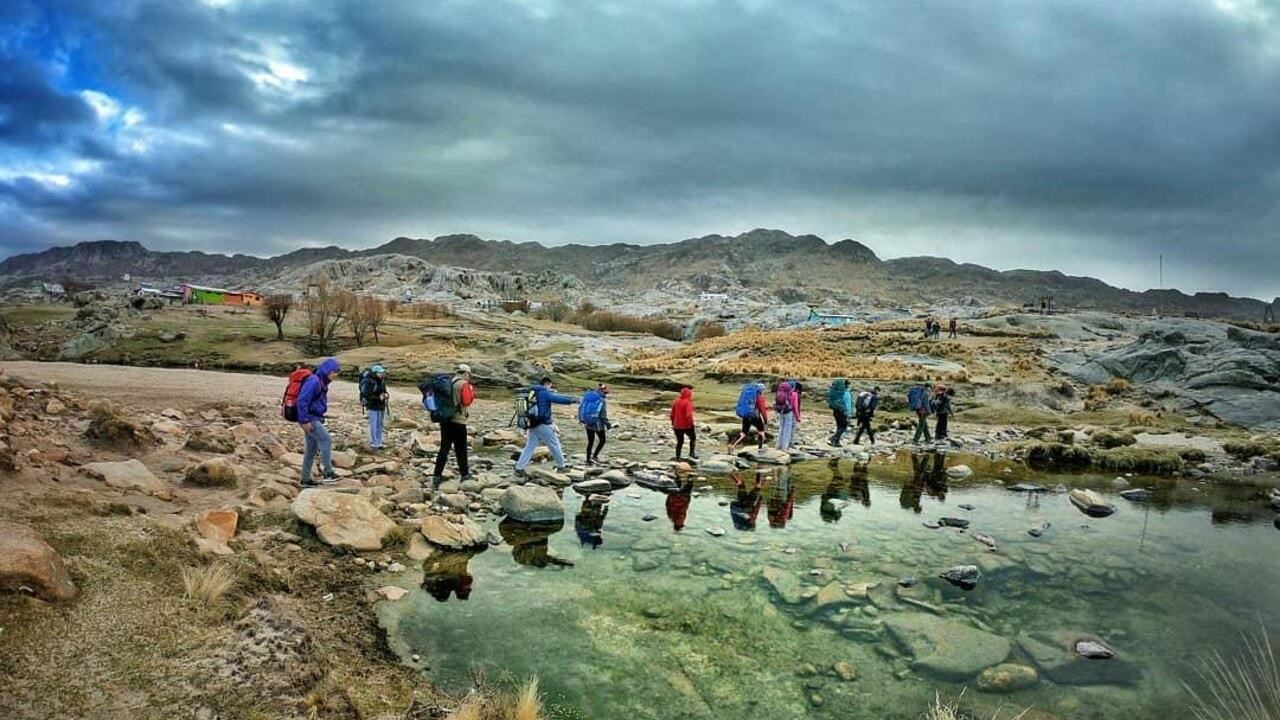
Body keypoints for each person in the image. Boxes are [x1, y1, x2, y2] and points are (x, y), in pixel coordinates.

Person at [514, 376, 577, 477]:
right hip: (543, 423)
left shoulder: (532, 392)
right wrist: (574, 400)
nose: (550, 388)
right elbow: (558, 399)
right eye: (550, 386)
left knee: (530, 446)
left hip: (532, 422)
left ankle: (519, 468)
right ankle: (561, 466)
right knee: (554, 444)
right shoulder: (544, 392)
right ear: (547, 384)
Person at [297, 357, 341, 487]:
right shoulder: (314, 381)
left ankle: (305, 479)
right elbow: (302, 401)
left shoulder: (321, 381)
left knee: (311, 449)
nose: (336, 375)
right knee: (326, 439)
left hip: (312, 417)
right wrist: (304, 420)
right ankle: (328, 473)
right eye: (335, 371)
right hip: (309, 418)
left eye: (338, 372)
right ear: (327, 370)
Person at [432, 364, 476, 484]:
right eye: (469, 375)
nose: (469, 377)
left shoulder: (449, 382)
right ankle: (465, 474)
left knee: (444, 448)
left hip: (445, 419)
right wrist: (471, 392)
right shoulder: (463, 384)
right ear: (466, 373)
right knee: (461, 448)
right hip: (458, 420)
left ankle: (437, 475)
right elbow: (467, 401)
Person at [728, 381, 769, 452]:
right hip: (755, 416)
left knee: (743, 433)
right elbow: (762, 410)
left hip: (746, 416)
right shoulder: (759, 397)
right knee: (761, 431)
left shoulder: (750, 396)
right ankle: (760, 448)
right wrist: (765, 420)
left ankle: (732, 445)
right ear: (761, 390)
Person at [579, 384, 612, 466]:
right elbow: (603, 416)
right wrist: (608, 425)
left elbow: (580, 408)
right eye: (606, 393)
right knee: (602, 440)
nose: (606, 394)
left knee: (590, 441)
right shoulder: (602, 400)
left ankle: (588, 459)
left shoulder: (588, 398)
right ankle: (595, 456)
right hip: (598, 424)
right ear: (604, 392)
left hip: (588, 423)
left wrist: (581, 420)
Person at [359, 364, 389, 450]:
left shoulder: (382, 380)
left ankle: (379, 443)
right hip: (372, 406)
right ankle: (373, 443)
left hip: (381, 405)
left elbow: (384, 391)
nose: (382, 374)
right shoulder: (369, 382)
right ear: (375, 373)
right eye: (380, 373)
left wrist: (386, 395)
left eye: (382, 372)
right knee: (373, 424)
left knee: (380, 424)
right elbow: (367, 395)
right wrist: (378, 398)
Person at [671, 386, 698, 461]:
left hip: (677, 426)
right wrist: (691, 424)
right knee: (693, 438)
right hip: (686, 425)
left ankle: (678, 457)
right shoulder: (688, 402)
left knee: (679, 442)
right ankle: (692, 453)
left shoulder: (676, 401)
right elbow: (688, 415)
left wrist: (673, 422)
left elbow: (672, 414)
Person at [775, 379, 801, 451]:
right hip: (789, 412)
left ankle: (778, 445)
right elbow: (795, 407)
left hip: (781, 411)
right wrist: (798, 417)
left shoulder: (781, 391)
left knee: (781, 428)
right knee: (787, 430)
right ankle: (785, 447)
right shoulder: (794, 394)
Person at [826, 378, 853, 446]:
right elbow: (847, 404)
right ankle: (834, 438)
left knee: (839, 426)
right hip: (843, 412)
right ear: (847, 385)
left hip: (836, 411)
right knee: (843, 427)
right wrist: (849, 414)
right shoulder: (846, 393)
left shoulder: (837, 391)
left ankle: (836, 441)